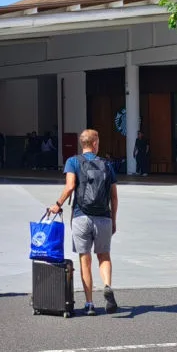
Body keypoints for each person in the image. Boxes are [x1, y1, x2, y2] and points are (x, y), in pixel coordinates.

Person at [49, 128, 119, 316]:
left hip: (81, 216)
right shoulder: (107, 164)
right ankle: (107, 285)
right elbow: (114, 196)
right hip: (103, 217)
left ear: (83, 144)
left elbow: (70, 186)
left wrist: (58, 204)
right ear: (95, 143)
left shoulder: (73, 162)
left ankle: (89, 304)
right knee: (104, 256)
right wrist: (113, 220)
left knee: (84, 259)